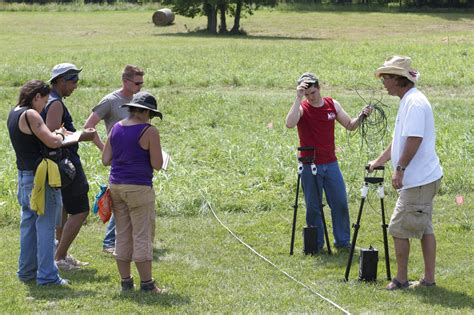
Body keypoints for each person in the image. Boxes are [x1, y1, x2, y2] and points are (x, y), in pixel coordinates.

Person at [369, 56, 443, 290]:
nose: (383, 82)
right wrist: (379, 161)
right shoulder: (407, 101)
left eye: (386, 77)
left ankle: (401, 279)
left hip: (418, 179)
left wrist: (399, 169)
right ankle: (428, 279)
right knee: (424, 228)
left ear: (398, 79)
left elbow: (414, 139)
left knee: (398, 228)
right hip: (422, 178)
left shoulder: (414, 103)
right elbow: (399, 140)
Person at [285, 72, 372, 251]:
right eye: (306, 94)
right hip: (310, 165)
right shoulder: (302, 108)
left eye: (313, 93)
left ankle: (343, 242)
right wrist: (297, 98)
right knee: (314, 206)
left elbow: (350, 125)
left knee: (340, 202)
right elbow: (289, 123)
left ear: (319, 88)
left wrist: (362, 115)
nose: (310, 97)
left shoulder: (332, 105)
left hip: (331, 163)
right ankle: (316, 245)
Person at [102, 91, 165, 293]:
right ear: (145, 112)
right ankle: (147, 284)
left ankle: (126, 282)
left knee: (122, 234)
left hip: (116, 186)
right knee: (142, 234)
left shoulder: (116, 128)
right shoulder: (149, 131)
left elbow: (106, 160)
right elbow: (157, 164)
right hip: (138, 187)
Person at [7, 80, 68, 285]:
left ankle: (26, 272)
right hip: (40, 178)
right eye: (44, 100)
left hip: (23, 175)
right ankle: (48, 276)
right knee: (45, 226)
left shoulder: (14, 112)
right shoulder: (31, 114)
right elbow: (51, 141)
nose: (44, 106)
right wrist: (60, 133)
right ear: (36, 97)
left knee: (28, 224)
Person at [84, 65, 145, 254]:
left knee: (133, 197)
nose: (140, 87)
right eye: (137, 83)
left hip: (137, 157)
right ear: (125, 81)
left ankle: (123, 240)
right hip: (120, 159)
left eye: (142, 83)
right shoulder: (111, 101)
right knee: (121, 199)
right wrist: (105, 151)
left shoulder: (138, 100)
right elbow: (89, 126)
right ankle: (110, 242)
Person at [41, 63, 90, 271]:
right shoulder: (56, 104)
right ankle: (59, 257)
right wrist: (81, 136)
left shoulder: (49, 100)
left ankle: (60, 253)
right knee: (80, 211)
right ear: (60, 80)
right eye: (73, 81)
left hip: (60, 165)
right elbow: (52, 138)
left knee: (64, 210)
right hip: (66, 164)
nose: (76, 85)